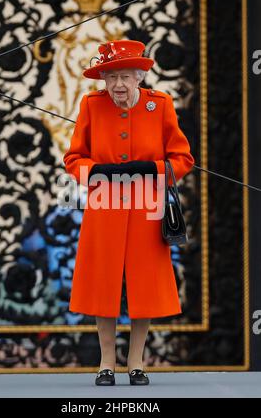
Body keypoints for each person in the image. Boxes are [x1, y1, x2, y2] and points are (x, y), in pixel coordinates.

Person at [63, 39, 195, 386]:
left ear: (139, 77)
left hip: (146, 208)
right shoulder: (91, 105)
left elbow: (182, 159)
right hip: (104, 206)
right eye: (110, 77)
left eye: (124, 77)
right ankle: (106, 363)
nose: (118, 86)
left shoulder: (160, 105)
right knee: (101, 284)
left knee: (145, 287)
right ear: (103, 80)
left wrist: (152, 168)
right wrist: (96, 172)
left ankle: (136, 363)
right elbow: (73, 159)